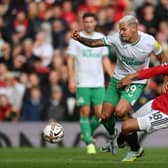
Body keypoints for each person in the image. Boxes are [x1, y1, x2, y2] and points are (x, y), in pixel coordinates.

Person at [72, 15, 167, 161]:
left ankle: (133, 146)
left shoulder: (149, 42)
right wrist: (80, 39)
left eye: (124, 29)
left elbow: (163, 59)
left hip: (136, 81)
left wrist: (165, 80)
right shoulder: (116, 38)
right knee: (104, 117)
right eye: (120, 30)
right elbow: (94, 43)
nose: (121, 32)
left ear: (134, 28)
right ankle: (116, 137)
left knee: (121, 111)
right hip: (117, 79)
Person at [67, 13, 113, 154]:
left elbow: (105, 59)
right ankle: (89, 142)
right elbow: (70, 60)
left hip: (98, 82)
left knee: (101, 115)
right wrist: (71, 79)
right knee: (85, 112)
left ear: (95, 22)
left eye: (91, 21)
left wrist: (112, 76)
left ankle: (86, 132)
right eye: (86, 22)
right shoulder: (76, 38)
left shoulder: (100, 37)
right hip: (82, 81)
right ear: (83, 23)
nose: (88, 24)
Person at [117, 63, 168, 161]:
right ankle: (130, 144)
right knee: (130, 122)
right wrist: (130, 77)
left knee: (126, 126)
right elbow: (154, 70)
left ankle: (135, 150)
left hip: (165, 114)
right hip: (157, 103)